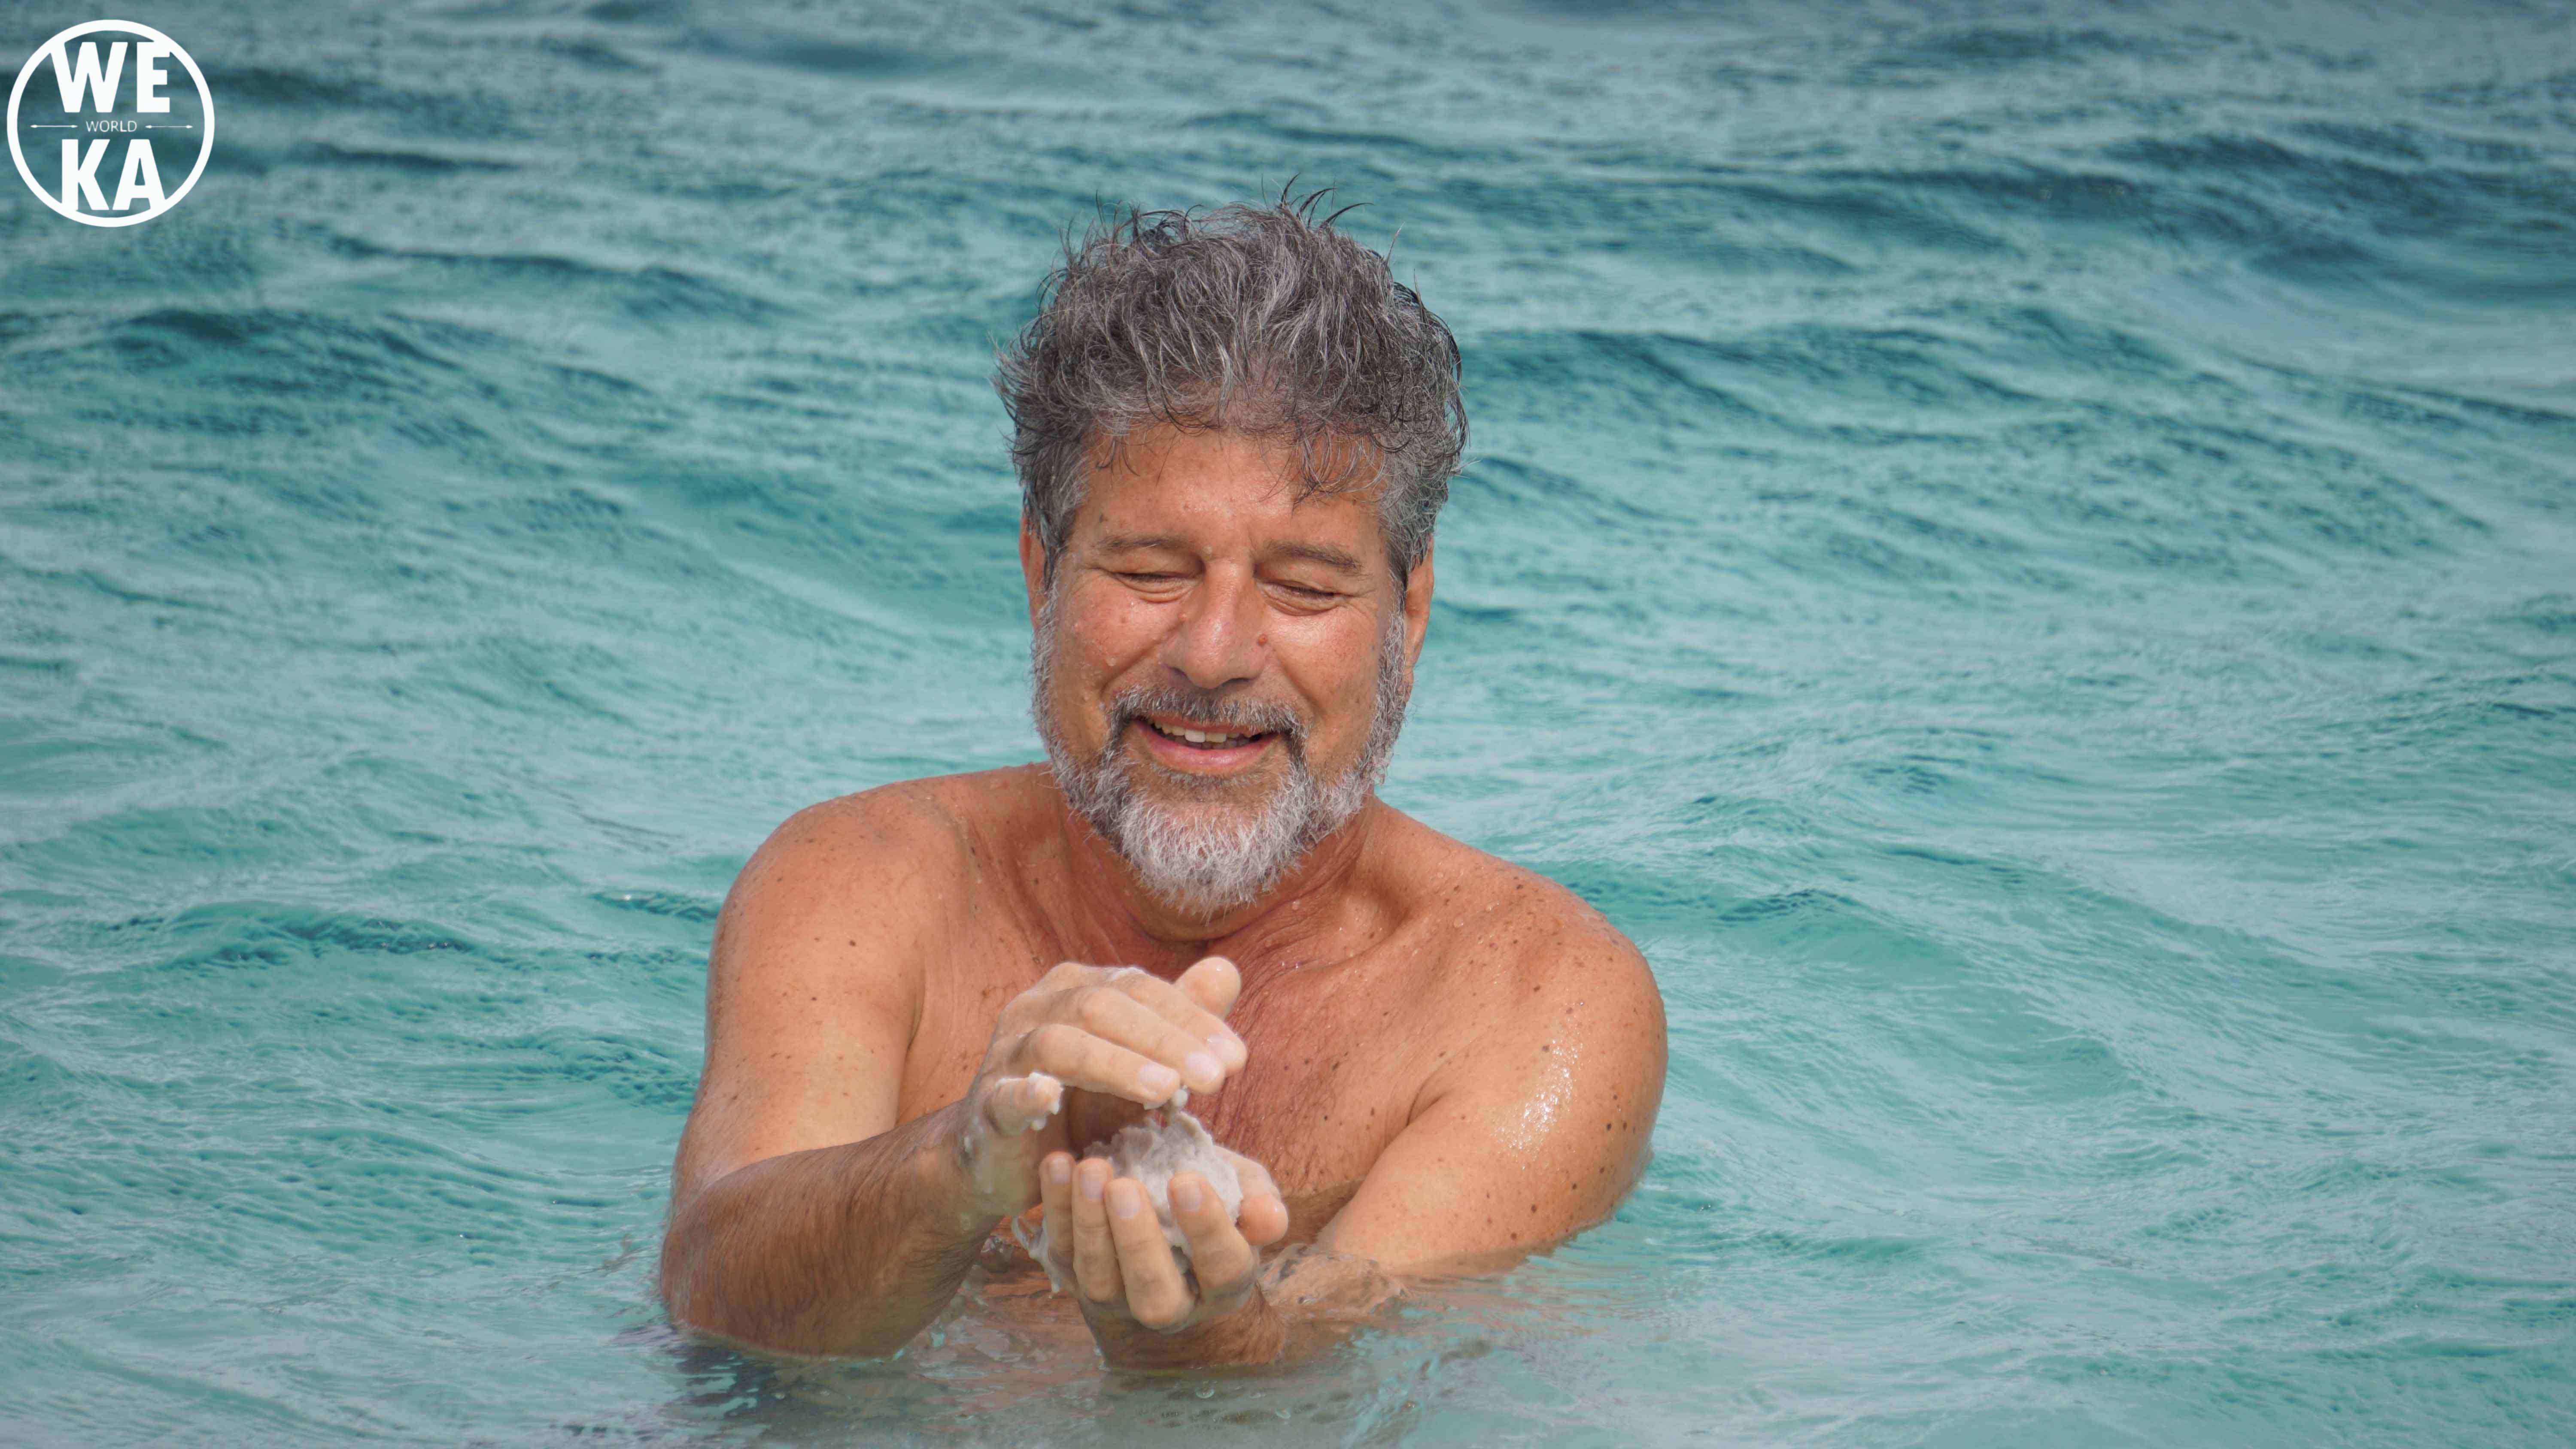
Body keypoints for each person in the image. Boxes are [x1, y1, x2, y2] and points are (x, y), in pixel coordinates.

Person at [656, 186, 1667, 1370]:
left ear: (1411, 614)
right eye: (1149, 570)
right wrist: (961, 1159)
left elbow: (1332, 1397)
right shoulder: (858, 882)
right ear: (1041, 575)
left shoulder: (1542, 1001)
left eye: (1304, 588)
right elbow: (708, 1292)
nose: (1214, 651)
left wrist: (1191, 1333)